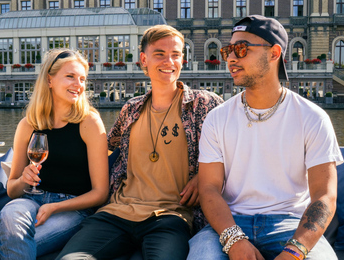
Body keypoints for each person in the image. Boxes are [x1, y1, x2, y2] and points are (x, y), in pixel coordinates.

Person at [57, 24, 223, 259]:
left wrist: (203, 177)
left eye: (175, 55)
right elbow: (101, 151)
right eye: (160, 54)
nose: (169, 61)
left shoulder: (204, 105)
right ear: (144, 59)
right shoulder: (131, 109)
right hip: (115, 214)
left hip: (170, 217)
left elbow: (234, 148)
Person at [188, 15, 343, 259]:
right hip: (230, 222)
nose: (229, 58)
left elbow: (324, 195)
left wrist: (295, 251)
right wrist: (234, 239)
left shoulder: (312, 117)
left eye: (241, 49)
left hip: (291, 223)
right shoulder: (217, 119)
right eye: (228, 50)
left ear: (274, 53)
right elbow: (209, 188)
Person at [0, 49, 109, 259]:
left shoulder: (89, 123)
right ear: (49, 80)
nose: (78, 84)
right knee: (10, 212)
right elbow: (12, 190)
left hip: (72, 208)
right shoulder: (28, 125)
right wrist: (23, 178)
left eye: (82, 79)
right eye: (70, 76)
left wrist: (55, 207)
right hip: (30, 201)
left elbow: (100, 193)